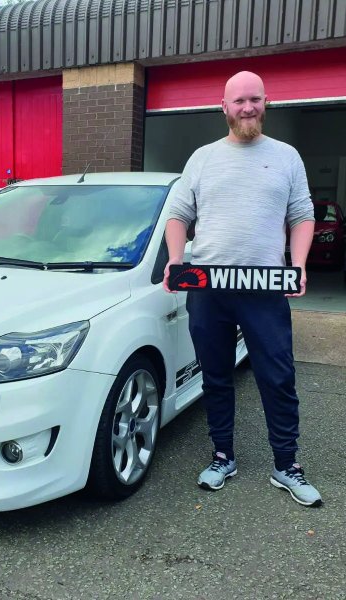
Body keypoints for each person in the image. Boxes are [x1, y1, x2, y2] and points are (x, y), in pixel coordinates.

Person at [163, 71, 322, 507]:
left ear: (266, 103)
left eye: (255, 99)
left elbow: (302, 214)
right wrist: (176, 258)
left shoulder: (286, 156)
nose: (248, 107)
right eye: (239, 101)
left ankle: (286, 465)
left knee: (278, 376)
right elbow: (178, 214)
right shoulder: (202, 158)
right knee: (215, 376)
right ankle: (222, 456)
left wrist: (298, 264)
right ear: (224, 107)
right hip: (208, 287)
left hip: (264, 287)